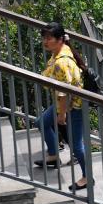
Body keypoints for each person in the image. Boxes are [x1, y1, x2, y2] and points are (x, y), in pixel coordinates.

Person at [34, 22, 90, 191]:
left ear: (59, 39)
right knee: (42, 122)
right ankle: (53, 155)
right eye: (44, 38)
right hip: (64, 104)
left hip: (73, 107)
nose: (45, 41)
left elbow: (63, 92)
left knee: (76, 145)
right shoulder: (61, 50)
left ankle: (88, 177)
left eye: (49, 38)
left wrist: (62, 115)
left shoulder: (61, 62)